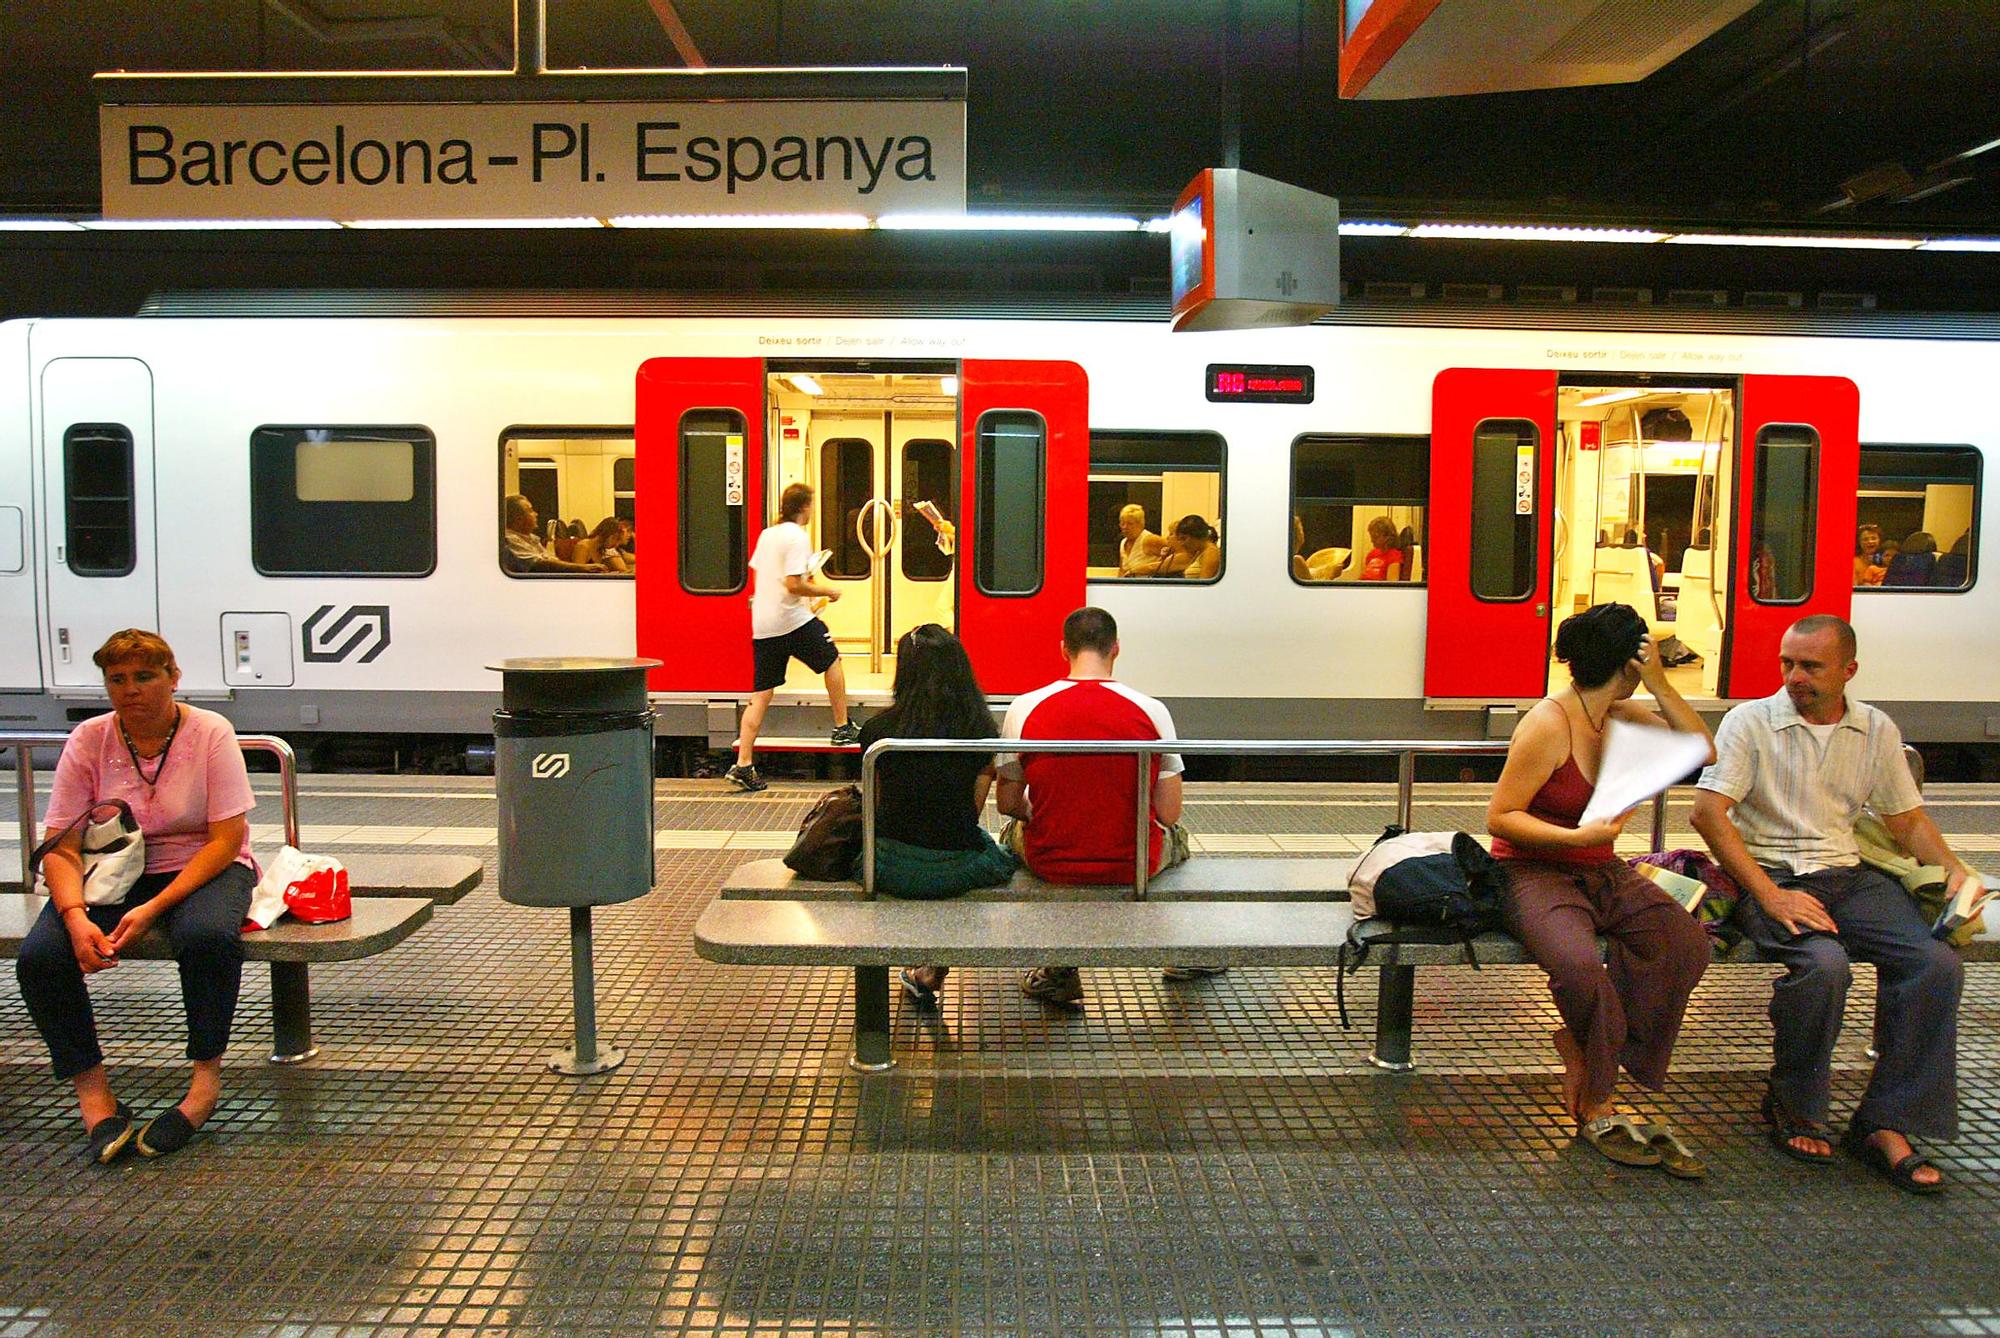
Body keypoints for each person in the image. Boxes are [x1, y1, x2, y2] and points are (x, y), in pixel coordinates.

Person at [1690, 614, 1972, 1193]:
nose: (1795, 676)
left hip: (1848, 875)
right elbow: (1708, 815)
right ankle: (1794, 1101)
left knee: (1935, 965)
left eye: (1811, 666)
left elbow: (1906, 820)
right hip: (1768, 873)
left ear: (1849, 670)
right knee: (1823, 965)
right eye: (1788, 663)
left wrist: (1957, 872)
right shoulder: (1751, 723)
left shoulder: (1875, 729)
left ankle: (1886, 1121)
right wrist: (1768, 895)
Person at [1488, 603, 1715, 1176]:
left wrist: (1662, 686)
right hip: (1533, 870)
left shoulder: (1622, 713)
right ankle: (1598, 1098)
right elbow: (1501, 816)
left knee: (1685, 943)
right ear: (1629, 658)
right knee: (1580, 967)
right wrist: (1577, 835)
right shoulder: (1548, 723)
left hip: (1603, 869)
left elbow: (1702, 751)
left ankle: (1587, 1048)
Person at [15, 630, 259, 1163]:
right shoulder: (90, 738)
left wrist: (154, 908)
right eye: (117, 679)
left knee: (206, 937)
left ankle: (203, 1087)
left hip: (202, 865)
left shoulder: (211, 731)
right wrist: (75, 916)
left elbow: (226, 840)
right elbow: (60, 847)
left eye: (145, 677)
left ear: (173, 678)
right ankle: (95, 1098)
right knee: (40, 958)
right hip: (113, 869)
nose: (131, 690)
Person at [997, 607, 1203, 1008]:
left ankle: (1059, 970)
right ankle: (1185, 954)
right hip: (1134, 864)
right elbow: (1169, 813)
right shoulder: (1152, 710)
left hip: (1050, 862)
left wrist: (1041, 813)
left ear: (1063, 650)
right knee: (1180, 839)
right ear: (1116, 649)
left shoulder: (1024, 707)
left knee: (1011, 833)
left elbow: (1007, 803)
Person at [856, 625, 1019, 1008]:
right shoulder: (980, 730)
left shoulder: (878, 732)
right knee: (989, 853)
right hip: (958, 866)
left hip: (886, 867)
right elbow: (971, 813)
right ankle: (931, 969)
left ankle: (914, 977)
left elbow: (876, 811)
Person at [729, 483, 854, 792]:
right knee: (831, 660)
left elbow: (767, 576)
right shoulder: (797, 536)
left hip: (764, 622)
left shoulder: (768, 534)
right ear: (805, 507)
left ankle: (743, 764)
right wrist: (827, 590)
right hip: (792, 620)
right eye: (811, 505)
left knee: (761, 693)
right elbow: (792, 584)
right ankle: (842, 727)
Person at [500, 495, 606, 573]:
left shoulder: (532, 539)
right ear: (518, 518)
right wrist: (582, 568)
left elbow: (549, 559)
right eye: (530, 511)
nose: (535, 514)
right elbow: (539, 565)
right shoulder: (510, 539)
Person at [1154, 515, 1221, 579]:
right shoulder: (1200, 552)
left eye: (1184, 538)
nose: (1182, 543)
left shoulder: (1211, 553)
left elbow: (1204, 585)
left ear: (1196, 535)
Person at [1116, 504, 1168, 577]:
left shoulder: (1150, 539)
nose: (1125, 527)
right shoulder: (1123, 542)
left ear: (1140, 524)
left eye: (1130, 524)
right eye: (1122, 523)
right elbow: (1122, 570)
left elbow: (1175, 558)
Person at [1359, 516, 1403, 581]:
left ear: (1387, 537)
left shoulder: (1394, 556)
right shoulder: (1372, 554)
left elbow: (1391, 584)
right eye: (1371, 536)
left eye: (1375, 537)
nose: (1372, 540)